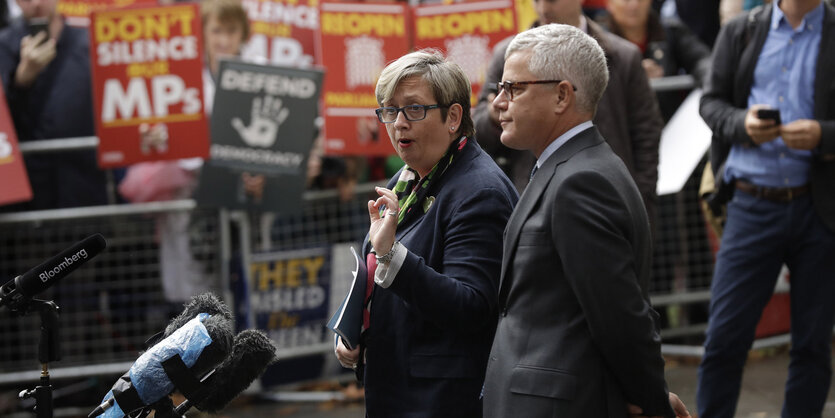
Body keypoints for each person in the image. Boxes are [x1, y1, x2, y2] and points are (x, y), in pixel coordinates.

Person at [481, 24, 688, 418]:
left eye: (514, 88)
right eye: (500, 88)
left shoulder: (582, 181)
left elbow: (621, 318)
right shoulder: (567, 168)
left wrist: (654, 402)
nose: (499, 102)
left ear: (562, 95)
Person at [333, 50, 518, 416]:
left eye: (414, 109)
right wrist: (351, 330)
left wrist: (392, 257)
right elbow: (374, 278)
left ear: (453, 117)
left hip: (441, 399)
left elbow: (471, 306)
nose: (399, 123)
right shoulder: (405, 180)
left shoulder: (479, 191)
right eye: (389, 110)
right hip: (399, 388)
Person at [697, 0, 835, 416]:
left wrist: (823, 135)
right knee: (723, 340)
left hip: (820, 209)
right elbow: (711, 103)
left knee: (812, 345)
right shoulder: (742, 31)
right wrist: (743, 125)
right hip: (752, 204)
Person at [473, 0, 664, 230]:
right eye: (536, 1)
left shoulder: (622, 55)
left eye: (515, 88)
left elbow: (647, 134)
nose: (543, 8)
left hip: (611, 202)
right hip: (528, 202)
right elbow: (478, 130)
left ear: (563, 94)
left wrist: (638, 201)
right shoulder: (507, 54)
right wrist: (496, 116)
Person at [0, 0, 108, 210]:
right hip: (25, 201)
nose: (36, 3)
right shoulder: (4, 47)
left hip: (83, 191)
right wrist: (21, 81)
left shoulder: (90, 44)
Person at [598, 0, 711, 121]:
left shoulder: (670, 32)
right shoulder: (596, 42)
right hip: (620, 129)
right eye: (626, 0)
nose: (634, 5)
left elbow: (702, 60)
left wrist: (710, 84)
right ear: (609, 3)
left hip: (672, 126)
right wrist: (631, 75)